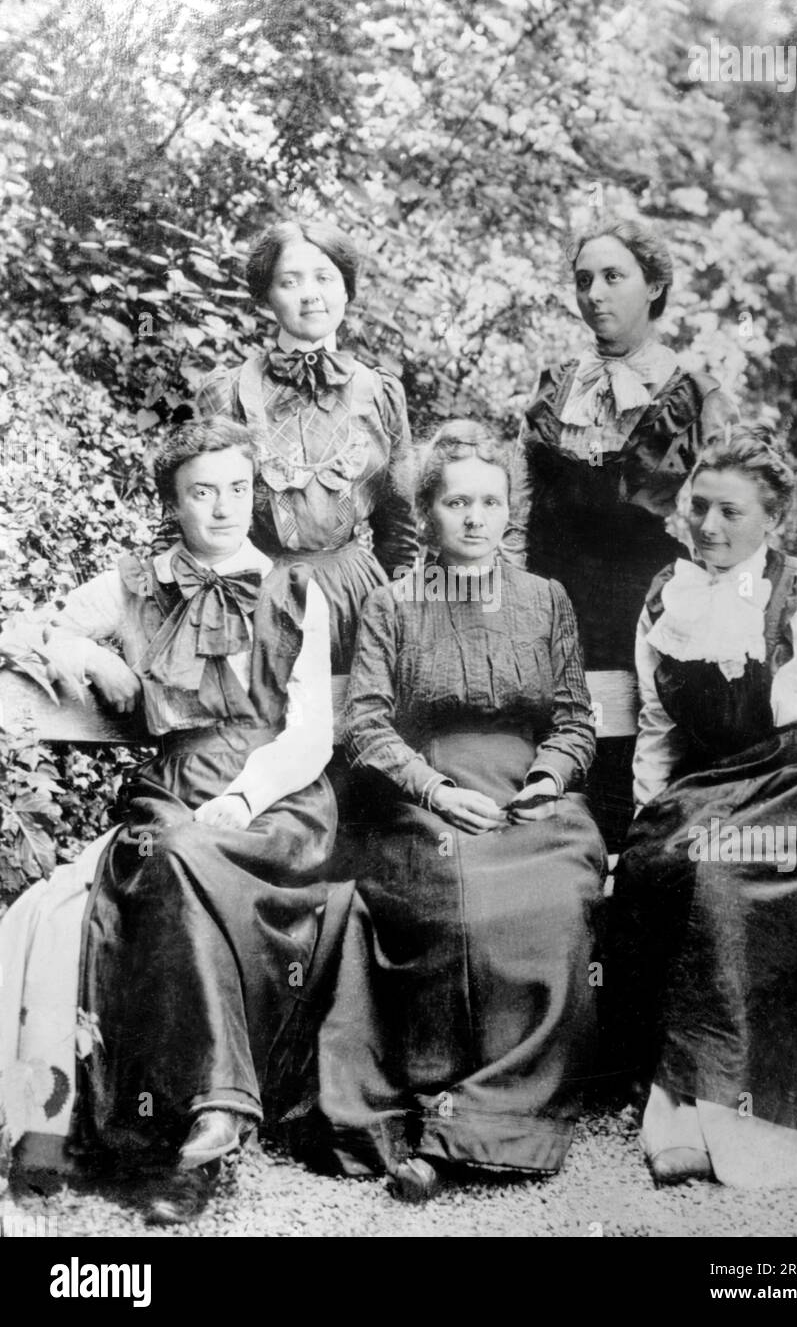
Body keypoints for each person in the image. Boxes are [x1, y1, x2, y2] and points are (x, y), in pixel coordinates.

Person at [0, 418, 345, 1222]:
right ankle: (210, 1122)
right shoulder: (134, 585)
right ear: (173, 503)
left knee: (179, 858)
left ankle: (209, 1116)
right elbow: (21, 628)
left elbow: (311, 734)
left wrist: (244, 796)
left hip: (276, 806)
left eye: (237, 489)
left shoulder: (295, 588)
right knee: (162, 859)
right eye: (201, 493)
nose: (223, 508)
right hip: (174, 791)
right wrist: (88, 656)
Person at [307, 420, 607, 1201]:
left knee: (553, 905)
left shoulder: (546, 599)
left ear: (510, 509)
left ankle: (486, 1119)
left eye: (489, 502)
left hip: (531, 798)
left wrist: (548, 776)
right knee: (462, 909)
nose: (474, 518)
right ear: (425, 512)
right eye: (455, 503)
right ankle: (449, 1110)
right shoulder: (392, 603)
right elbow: (364, 723)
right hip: (422, 799)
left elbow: (574, 718)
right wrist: (435, 791)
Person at [606, 424, 797, 1188]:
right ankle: (665, 1090)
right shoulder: (666, 596)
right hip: (712, 789)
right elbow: (659, 729)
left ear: (773, 518)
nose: (708, 526)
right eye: (698, 506)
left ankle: (718, 1124)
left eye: (731, 512)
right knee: (652, 866)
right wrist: (646, 815)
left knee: (718, 883)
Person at [503, 217, 738, 851]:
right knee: (550, 759)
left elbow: (721, 526)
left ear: (655, 285)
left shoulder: (694, 396)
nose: (596, 294)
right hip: (549, 603)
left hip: (645, 609)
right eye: (584, 281)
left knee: (636, 769)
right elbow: (518, 512)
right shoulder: (555, 389)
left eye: (614, 277)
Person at [193, 217, 418, 673]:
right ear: (266, 296)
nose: (310, 293)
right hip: (258, 598)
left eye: (324, 278)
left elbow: (402, 528)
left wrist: (400, 619)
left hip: (361, 601)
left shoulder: (381, 392)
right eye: (289, 281)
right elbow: (190, 518)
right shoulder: (229, 391)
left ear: (346, 290)